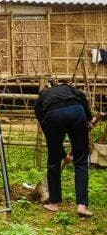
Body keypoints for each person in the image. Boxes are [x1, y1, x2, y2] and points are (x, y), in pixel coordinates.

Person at [34, 80, 97, 218]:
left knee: (53, 161)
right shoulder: (69, 88)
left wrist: (61, 154)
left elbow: (46, 129)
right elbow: (82, 97)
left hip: (53, 115)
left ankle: (54, 204)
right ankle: (81, 206)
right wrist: (89, 119)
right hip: (76, 111)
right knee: (81, 161)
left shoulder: (42, 95)